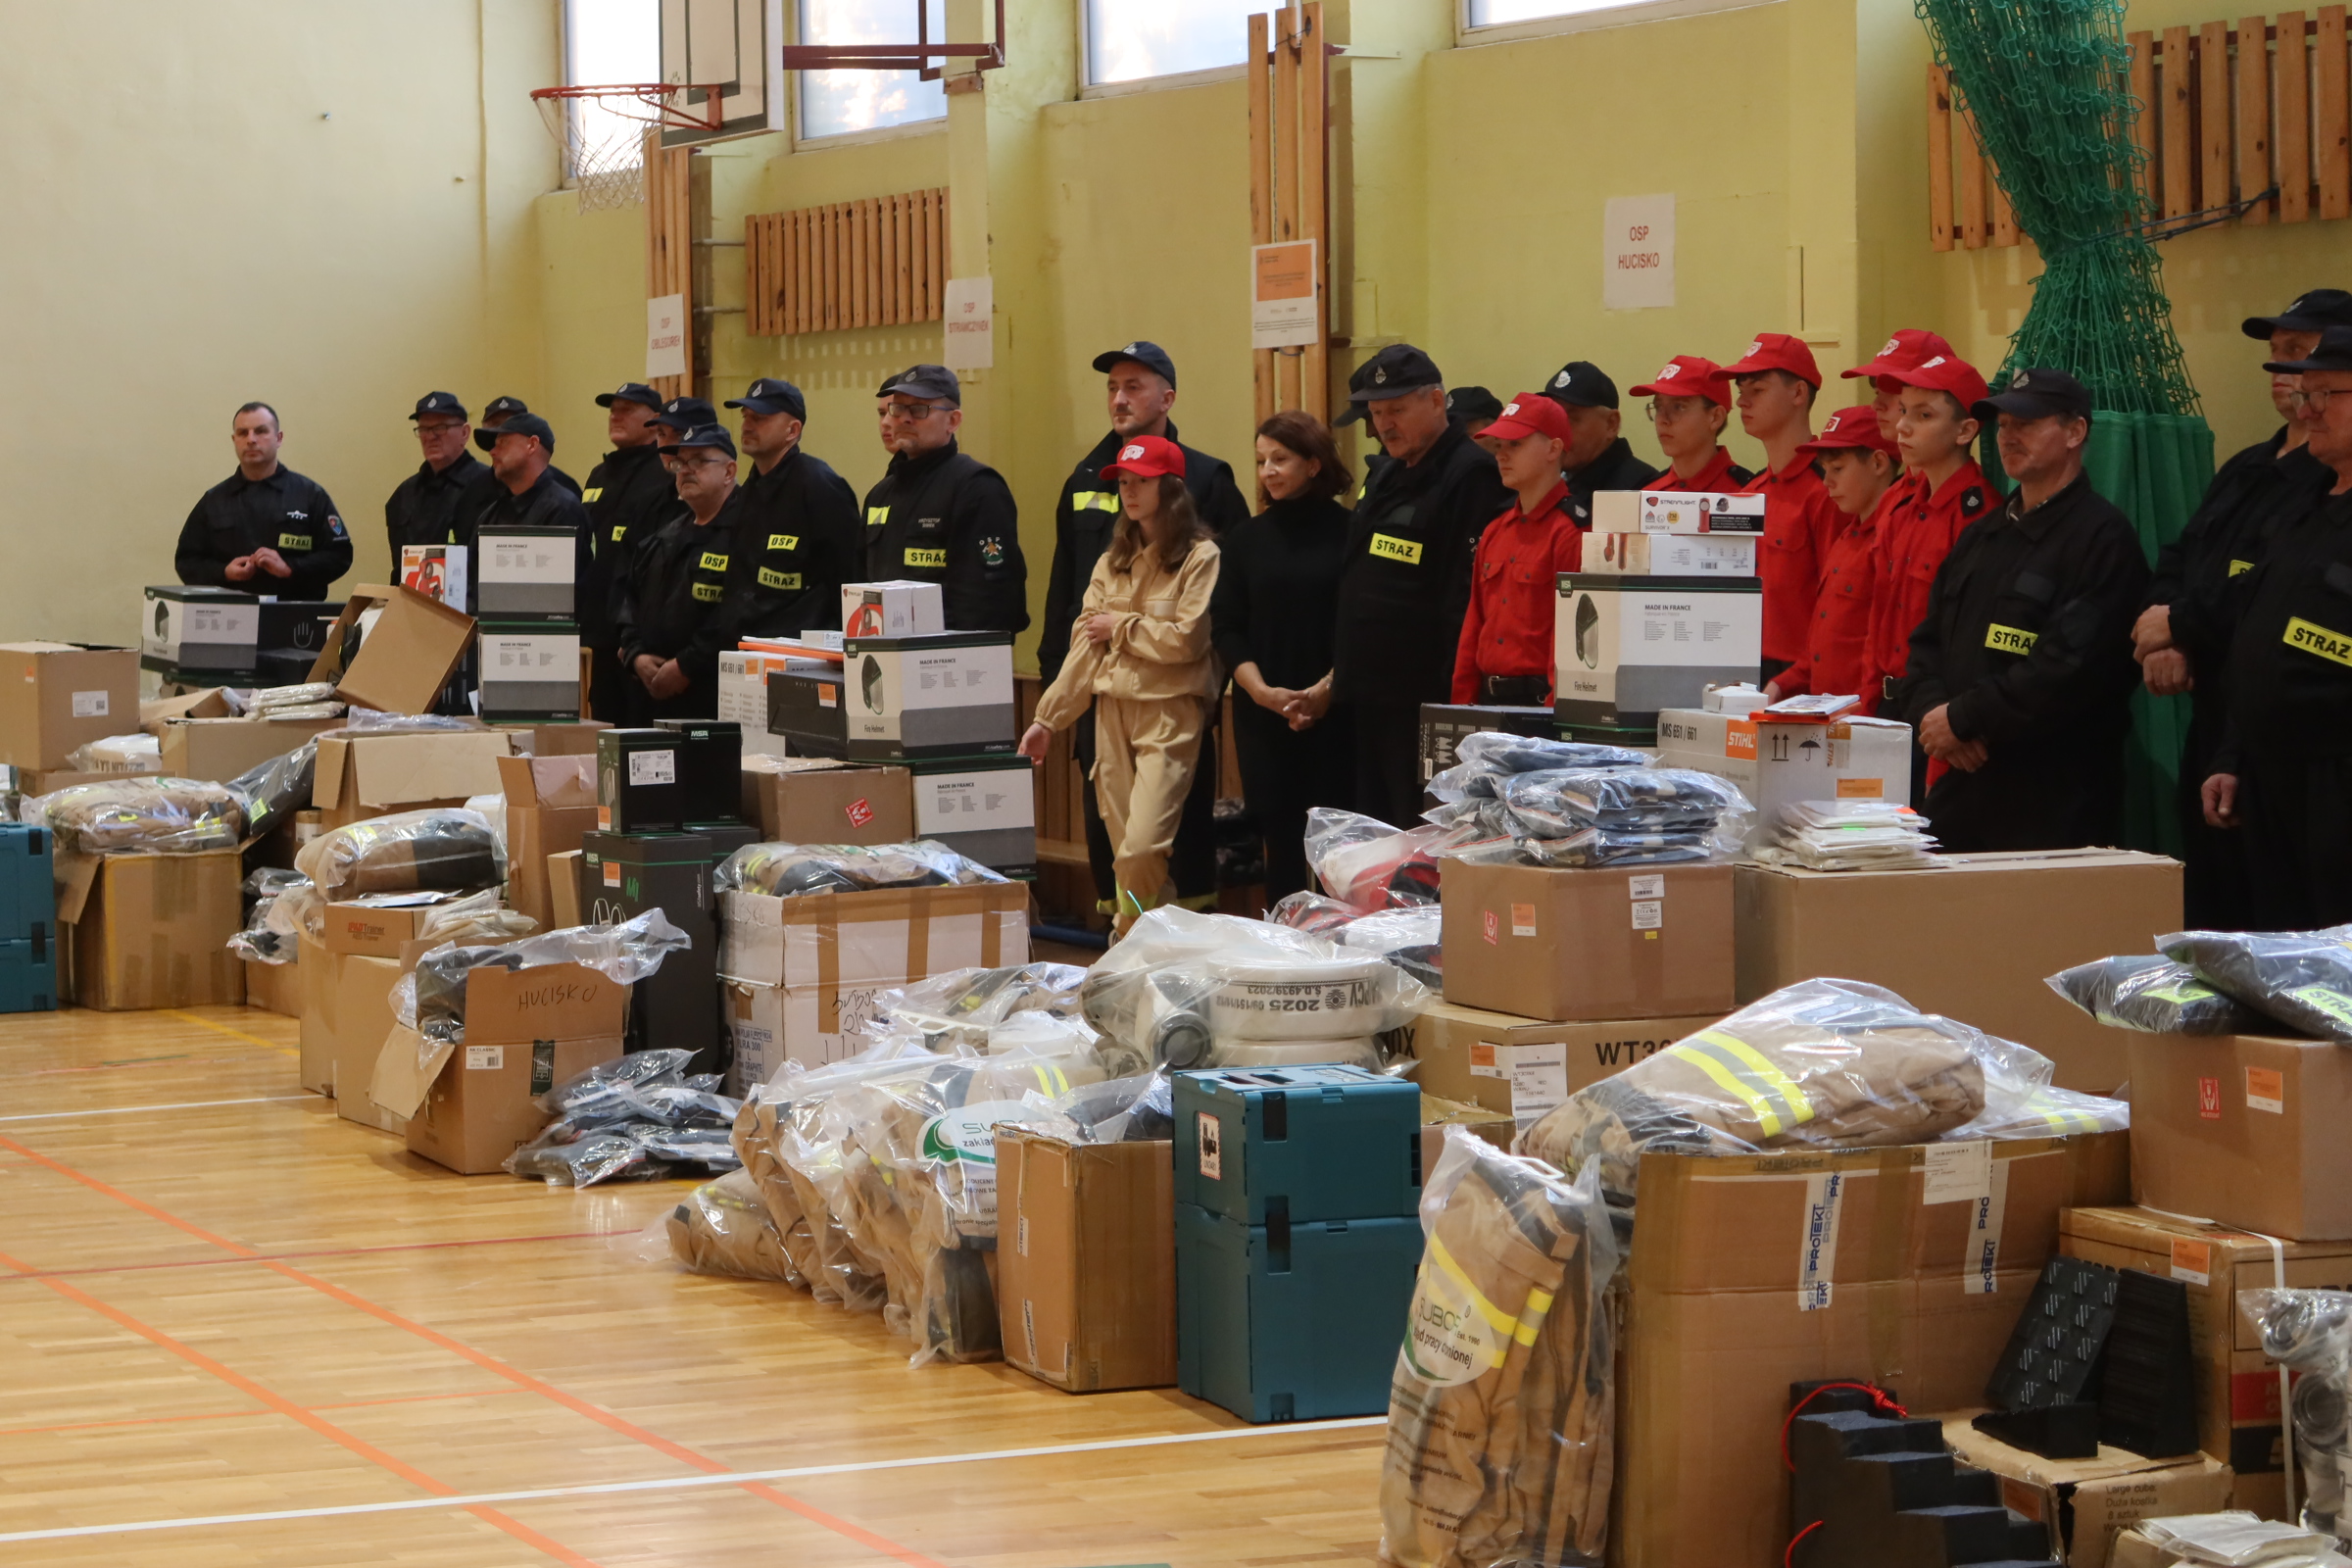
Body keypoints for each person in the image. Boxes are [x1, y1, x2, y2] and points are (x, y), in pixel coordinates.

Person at [2135, 291, 2343, 926]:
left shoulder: (2317, 484)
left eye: (2319, 384)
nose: (2298, 390)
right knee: (2231, 922)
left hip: (2324, 770)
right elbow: (2195, 563)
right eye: (2282, 361)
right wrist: (2171, 631)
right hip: (2241, 742)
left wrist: (2182, 622)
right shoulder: (2267, 479)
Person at [1894, 368, 2149, 852]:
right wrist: (1935, 716)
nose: (2009, 436)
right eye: (2004, 425)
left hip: (2053, 798)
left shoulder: (2102, 538)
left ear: (2075, 432)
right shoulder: (1983, 535)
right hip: (1962, 782)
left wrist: (1963, 718)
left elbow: (2066, 671)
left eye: (2026, 424)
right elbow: (1926, 646)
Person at [1040, 341, 1250, 922]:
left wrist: (1126, 629)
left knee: (1157, 839)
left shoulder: (1207, 483)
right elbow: (1068, 599)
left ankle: (1172, 929)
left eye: (1133, 386)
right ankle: (1134, 932)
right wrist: (1050, 708)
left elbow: (1212, 617)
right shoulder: (1088, 486)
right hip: (1103, 696)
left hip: (1173, 702)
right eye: (1112, 387)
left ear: (1167, 397)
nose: (1118, 398)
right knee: (1113, 838)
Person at [1017, 434, 1221, 935]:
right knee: (1123, 850)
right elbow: (1086, 649)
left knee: (1142, 847)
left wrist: (1121, 628)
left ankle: (1127, 934)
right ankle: (1149, 939)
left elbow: (1187, 641)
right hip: (1110, 713)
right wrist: (1048, 720)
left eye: (1141, 482)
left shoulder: (1200, 557)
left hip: (1169, 713)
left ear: (1170, 487)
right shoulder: (1111, 562)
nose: (1129, 492)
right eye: (1124, 482)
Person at [2202, 325, 2352, 928]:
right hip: (2268, 779)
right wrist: (2232, 754)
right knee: (2281, 948)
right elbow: (2254, 640)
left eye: (2325, 395)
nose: (2306, 409)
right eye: (2305, 394)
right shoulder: (2298, 505)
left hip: (2336, 779)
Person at [1330, 344, 1513, 826]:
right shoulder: (1390, 472)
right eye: (1376, 413)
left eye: (1396, 410)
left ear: (1435, 402)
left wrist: (1452, 700)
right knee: (1375, 830)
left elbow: (1463, 596)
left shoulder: (1470, 474)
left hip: (1421, 697)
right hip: (1369, 691)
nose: (1384, 424)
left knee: (1417, 831)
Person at [1210, 412, 1355, 902]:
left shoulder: (1352, 532)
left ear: (1313, 464)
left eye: (1280, 459)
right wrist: (1261, 692)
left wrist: (1326, 689)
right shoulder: (1246, 539)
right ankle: (1284, 940)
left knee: (1340, 849)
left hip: (1337, 711)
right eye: (1261, 461)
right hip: (1265, 714)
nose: (1267, 471)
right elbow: (1227, 626)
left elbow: (1361, 623)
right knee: (1282, 845)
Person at [861, 365, 1028, 633]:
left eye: (919, 410)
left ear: (953, 421)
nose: (904, 419)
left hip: (949, 650)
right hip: (885, 646)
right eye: (898, 409)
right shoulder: (881, 495)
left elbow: (991, 598)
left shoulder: (976, 486)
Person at [1871, 353, 1995, 708]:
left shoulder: (1979, 516)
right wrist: (1868, 699)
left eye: (1924, 415)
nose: (1902, 426)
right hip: (1889, 700)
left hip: (1939, 705)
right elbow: (1878, 619)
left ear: (1965, 431)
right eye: (1904, 411)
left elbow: (1971, 635)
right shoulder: (1902, 510)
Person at [1727, 334, 1840, 697]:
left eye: (1757, 389)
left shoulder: (1827, 491)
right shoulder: (1749, 494)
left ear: (1798, 393)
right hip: (1744, 670)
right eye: (1740, 390)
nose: (1742, 401)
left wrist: (1798, 679)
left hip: (1803, 683)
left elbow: (1838, 608)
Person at [1451, 394, 1581, 707]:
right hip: (1487, 700)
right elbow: (1473, 627)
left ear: (1553, 448)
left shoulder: (1572, 533)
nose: (1501, 455)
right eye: (1499, 445)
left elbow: (1571, 638)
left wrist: (1555, 714)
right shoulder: (1495, 531)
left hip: (1537, 703)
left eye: (1515, 444)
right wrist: (1462, 707)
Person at [616, 424, 742, 721]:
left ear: (729, 472)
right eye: (680, 463)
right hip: (651, 697)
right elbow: (629, 605)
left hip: (714, 699)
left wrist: (687, 665)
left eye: (698, 461)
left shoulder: (747, 534)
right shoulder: (662, 539)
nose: (685, 470)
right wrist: (636, 656)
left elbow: (740, 615)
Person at [721, 376, 859, 640]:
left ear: (792, 430)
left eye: (759, 418)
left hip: (803, 649)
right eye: (745, 416)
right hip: (749, 643)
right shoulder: (748, 491)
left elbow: (847, 579)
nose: (747, 425)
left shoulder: (820, 486)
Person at [175, 402, 352, 602]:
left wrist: (290, 568)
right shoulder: (214, 501)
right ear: (234, 440)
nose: (251, 440)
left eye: (261, 431)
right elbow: (186, 562)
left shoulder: (309, 495)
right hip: (229, 614)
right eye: (243, 433)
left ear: (279, 438)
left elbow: (339, 556)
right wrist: (224, 572)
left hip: (294, 613)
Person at [580, 382, 678, 722]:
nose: (615, 416)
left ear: (654, 420)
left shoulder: (662, 474)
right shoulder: (599, 475)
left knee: (638, 728)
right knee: (603, 725)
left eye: (627, 410)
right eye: (613, 410)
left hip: (640, 637)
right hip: (600, 630)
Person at [1792, 407, 1901, 709]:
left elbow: (1887, 646)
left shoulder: (1892, 541)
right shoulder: (1845, 538)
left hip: (1862, 714)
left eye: (1838, 469)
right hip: (1826, 709)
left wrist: (1867, 708)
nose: (1827, 481)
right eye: (1825, 470)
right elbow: (1823, 640)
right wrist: (1783, 683)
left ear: (1878, 463)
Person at [469, 413, 592, 600]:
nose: (492, 452)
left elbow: (553, 597)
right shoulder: (489, 515)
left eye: (503, 443)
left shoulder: (563, 509)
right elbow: (470, 584)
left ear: (532, 445)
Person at [1541, 361, 1660, 529]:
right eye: (1554, 418)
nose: (1559, 432)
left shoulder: (1642, 490)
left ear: (1611, 423)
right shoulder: (1543, 480)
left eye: (1571, 419)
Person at [1628, 357, 1750, 493]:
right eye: (1658, 407)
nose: (1662, 419)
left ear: (1716, 417)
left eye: (1679, 407)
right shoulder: (1649, 494)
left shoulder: (1747, 494)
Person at [384, 392, 483, 560]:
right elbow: (399, 566)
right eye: (423, 429)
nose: (430, 437)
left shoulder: (490, 486)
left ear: (465, 433)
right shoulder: (404, 495)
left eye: (440, 428)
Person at [477, 396, 582, 497]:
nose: (500, 433)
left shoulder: (562, 489)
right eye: (495, 430)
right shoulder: (477, 488)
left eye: (509, 431)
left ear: (531, 443)